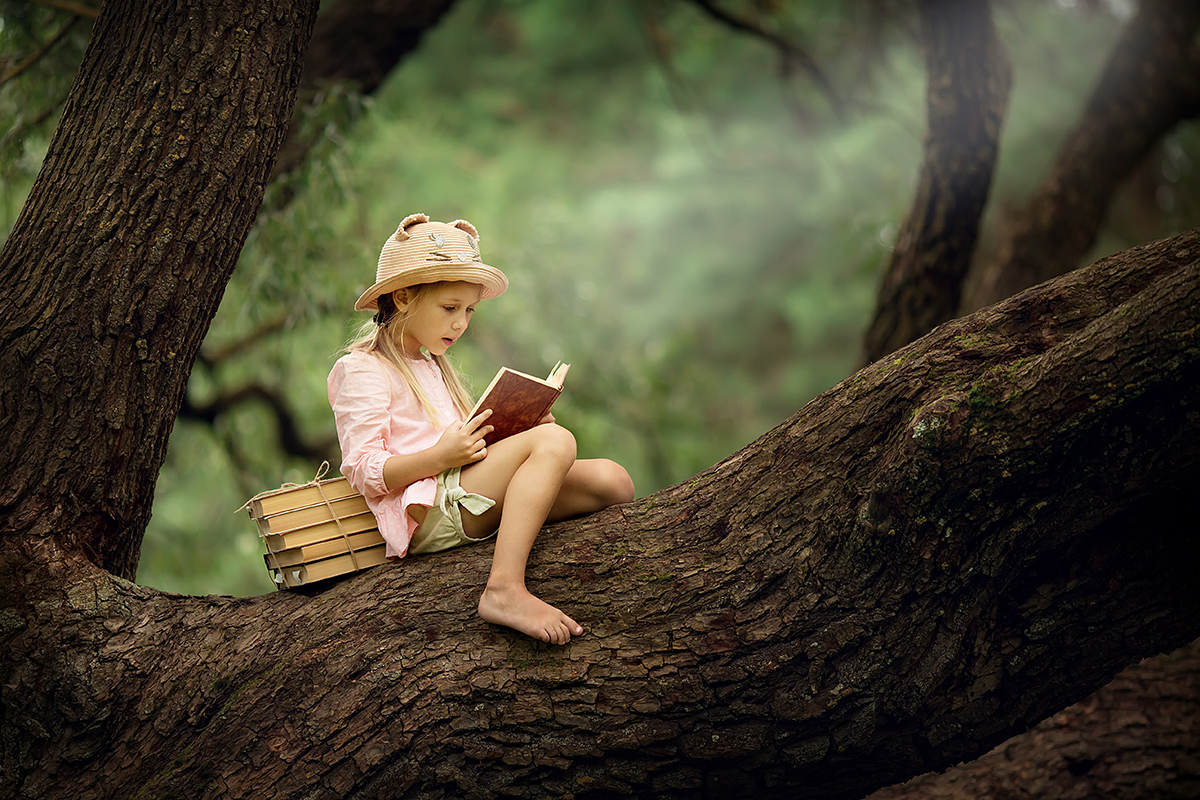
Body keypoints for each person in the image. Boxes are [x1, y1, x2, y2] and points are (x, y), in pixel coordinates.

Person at [328, 213, 635, 645]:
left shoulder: (434, 366)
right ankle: (504, 589)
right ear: (401, 299)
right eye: (450, 308)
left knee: (612, 481)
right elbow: (362, 470)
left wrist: (517, 429)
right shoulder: (361, 369)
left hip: (463, 489)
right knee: (555, 440)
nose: (461, 323)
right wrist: (439, 458)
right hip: (428, 509)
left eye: (469, 310)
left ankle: (523, 503)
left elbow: (470, 450)